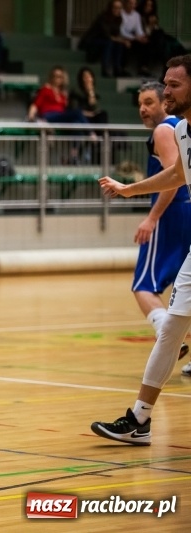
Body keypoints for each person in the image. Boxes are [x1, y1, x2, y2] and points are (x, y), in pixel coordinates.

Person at [94, 54, 191, 445]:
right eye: (164, 84)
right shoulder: (181, 129)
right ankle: (140, 419)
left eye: (174, 85)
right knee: (171, 329)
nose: (166, 91)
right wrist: (128, 189)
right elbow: (178, 174)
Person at [129, 81, 191, 363]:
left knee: (144, 286)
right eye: (140, 104)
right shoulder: (184, 126)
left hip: (172, 214)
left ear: (165, 102)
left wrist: (152, 218)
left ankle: (168, 337)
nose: (143, 109)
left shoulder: (165, 129)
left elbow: (174, 179)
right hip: (186, 211)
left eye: (149, 102)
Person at [79, 0, 127, 78]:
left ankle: (117, 69)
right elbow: (106, 35)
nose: (117, 10)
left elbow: (116, 35)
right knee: (109, 42)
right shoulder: (103, 17)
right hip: (92, 44)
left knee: (120, 44)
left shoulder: (119, 19)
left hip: (105, 43)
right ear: (110, 8)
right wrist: (118, 39)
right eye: (115, 8)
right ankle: (105, 68)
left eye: (119, 8)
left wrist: (123, 40)